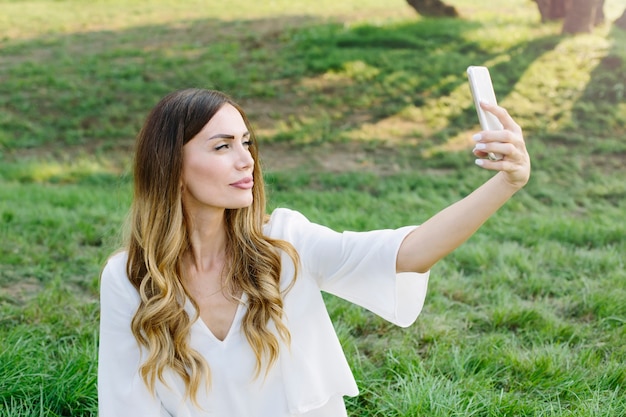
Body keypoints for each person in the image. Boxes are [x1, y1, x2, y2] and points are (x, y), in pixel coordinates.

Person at [98, 88, 530, 416]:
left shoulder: (285, 243)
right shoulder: (129, 277)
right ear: (171, 166)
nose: (246, 159)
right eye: (222, 146)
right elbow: (126, 405)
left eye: (246, 142)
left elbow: (408, 253)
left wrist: (506, 183)